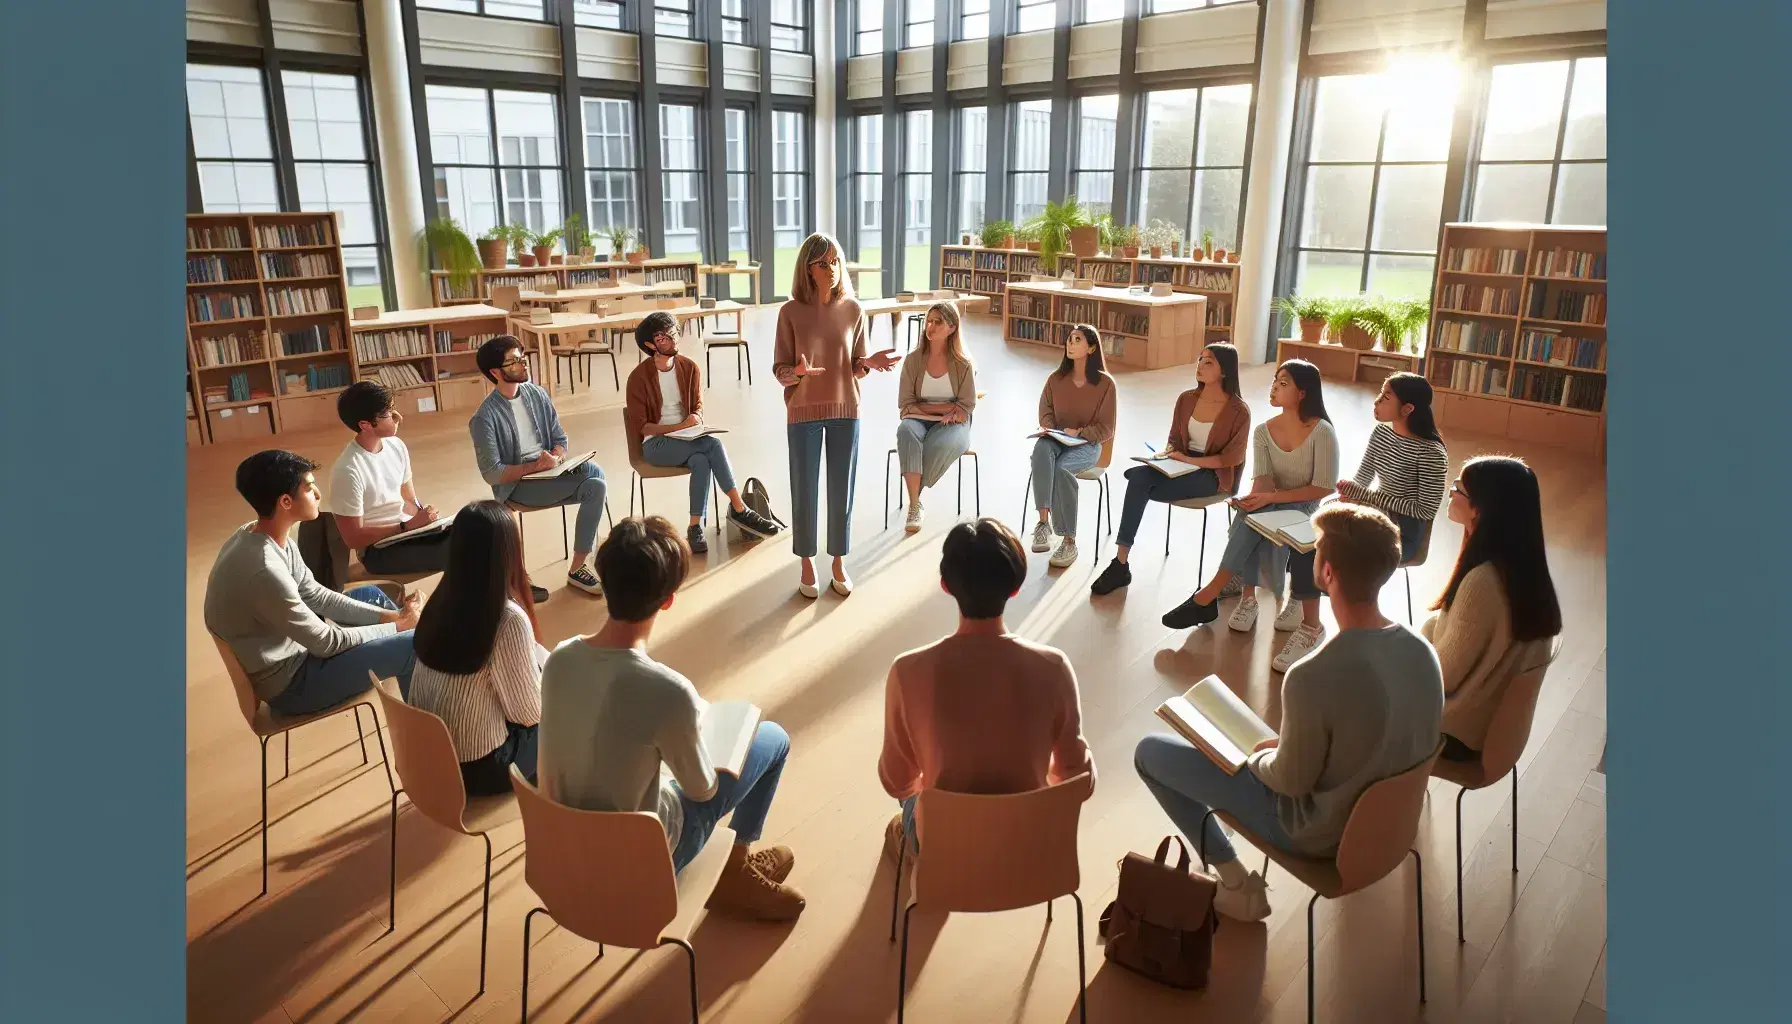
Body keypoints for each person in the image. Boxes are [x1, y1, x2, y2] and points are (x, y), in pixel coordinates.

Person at [1134, 503, 1443, 921]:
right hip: (1388, 828)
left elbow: (1290, 781)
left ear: (1327, 573)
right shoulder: (1423, 651)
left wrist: (1262, 756)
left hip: (1318, 833)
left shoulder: (1312, 674)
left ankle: (1235, 883)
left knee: (1151, 752)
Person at [536, 516, 806, 921]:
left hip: (564, 857)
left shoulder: (559, 658)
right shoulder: (668, 691)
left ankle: (733, 869)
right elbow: (702, 791)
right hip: (641, 867)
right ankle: (735, 869)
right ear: (668, 599)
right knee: (773, 737)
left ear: (604, 581)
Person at [878, 518, 1095, 862]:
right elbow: (1079, 781)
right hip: (1029, 850)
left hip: (944, 846)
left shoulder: (908, 671)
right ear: (1014, 588)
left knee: (914, 797)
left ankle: (916, 853)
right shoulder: (1053, 667)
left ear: (946, 586)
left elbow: (897, 781)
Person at [204, 450, 420, 718]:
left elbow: (316, 595)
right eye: (309, 488)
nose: (318, 494)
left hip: (299, 653)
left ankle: (412, 699)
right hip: (294, 685)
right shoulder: (264, 569)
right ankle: (421, 738)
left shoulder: (259, 534)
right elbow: (326, 643)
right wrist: (397, 625)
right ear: (285, 501)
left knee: (371, 596)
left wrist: (392, 618)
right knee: (414, 643)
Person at [1268, 372, 1452, 670]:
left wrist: (1366, 497)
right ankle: (1303, 601)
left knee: (1322, 546)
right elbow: (1363, 479)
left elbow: (1424, 510)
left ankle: (1309, 620)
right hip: (1372, 517)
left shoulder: (1431, 452)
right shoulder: (1382, 434)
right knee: (1309, 531)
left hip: (1401, 534)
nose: (1376, 402)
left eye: (1386, 398)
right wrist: (1348, 496)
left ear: (1408, 409)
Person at [1160, 360, 1337, 649]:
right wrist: (1253, 499)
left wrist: (1268, 498)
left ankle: (1209, 595)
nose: (1274, 387)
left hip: (1307, 508)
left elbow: (1322, 486)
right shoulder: (1264, 431)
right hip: (1275, 501)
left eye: (1284, 383)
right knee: (1250, 515)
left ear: (1303, 392)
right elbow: (1264, 481)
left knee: (1258, 515)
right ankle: (1247, 600)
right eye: (1274, 380)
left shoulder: (1322, 431)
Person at [772, 232, 901, 598]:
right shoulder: (789, 313)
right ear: (807, 268)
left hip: (846, 408)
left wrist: (868, 363)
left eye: (835, 261)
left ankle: (838, 559)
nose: (831, 268)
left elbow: (857, 365)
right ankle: (806, 560)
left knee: (842, 489)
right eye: (822, 262)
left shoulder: (854, 310)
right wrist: (796, 373)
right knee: (805, 488)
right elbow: (780, 369)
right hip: (803, 411)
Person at [1424, 456, 1562, 762]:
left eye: (1458, 488)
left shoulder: (1482, 582)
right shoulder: (1522, 568)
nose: (1451, 491)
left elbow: (1441, 678)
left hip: (1453, 732)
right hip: (1486, 728)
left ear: (1481, 508)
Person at [407, 501, 548, 796]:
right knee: (571, 710)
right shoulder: (507, 619)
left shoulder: (440, 599)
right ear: (508, 551)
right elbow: (529, 714)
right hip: (480, 768)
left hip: (429, 759)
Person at [1091, 342, 1251, 595]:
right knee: (1141, 478)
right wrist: (1166, 455)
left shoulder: (1239, 410)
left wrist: (1191, 462)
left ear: (1224, 371)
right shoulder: (1186, 399)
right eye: (1199, 359)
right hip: (1182, 464)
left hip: (1213, 476)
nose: (1199, 365)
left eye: (1208, 362)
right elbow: (1175, 439)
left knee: (1139, 483)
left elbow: (1231, 458)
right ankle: (1120, 561)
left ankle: (1121, 561)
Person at [625, 310, 785, 555]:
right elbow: (642, 426)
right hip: (655, 445)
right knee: (713, 446)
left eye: (673, 333)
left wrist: (695, 420)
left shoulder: (690, 368)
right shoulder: (638, 377)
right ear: (650, 345)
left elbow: (698, 408)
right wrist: (679, 427)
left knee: (701, 460)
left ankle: (694, 526)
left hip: (688, 440)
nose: (672, 339)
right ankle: (740, 510)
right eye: (663, 338)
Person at [469, 335, 608, 598]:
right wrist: (536, 466)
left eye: (522, 357)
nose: (524, 363)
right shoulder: (484, 418)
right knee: (596, 479)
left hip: (550, 472)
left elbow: (560, 438)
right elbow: (492, 473)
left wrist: (556, 456)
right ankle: (592, 558)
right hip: (518, 487)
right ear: (495, 372)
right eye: (514, 361)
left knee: (596, 482)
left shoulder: (536, 393)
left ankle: (579, 566)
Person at [325, 380, 455, 579]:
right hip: (378, 550)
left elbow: (409, 499)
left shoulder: (396, 446)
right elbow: (352, 538)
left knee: (475, 528)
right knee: (463, 549)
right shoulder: (348, 470)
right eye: (388, 414)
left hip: (406, 534)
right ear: (365, 424)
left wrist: (425, 517)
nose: (398, 417)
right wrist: (406, 526)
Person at [1029, 324, 1119, 569]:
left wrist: (1079, 433)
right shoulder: (1055, 379)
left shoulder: (1105, 384)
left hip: (1089, 445)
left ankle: (1069, 541)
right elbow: (1045, 413)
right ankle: (1043, 524)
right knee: (1040, 450)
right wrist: (1054, 431)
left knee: (1062, 469)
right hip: (1058, 440)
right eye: (1069, 339)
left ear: (1091, 348)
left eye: (1077, 339)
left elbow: (1106, 428)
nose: (1070, 343)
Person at [894, 301, 977, 533]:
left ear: (952, 327)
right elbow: (905, 405)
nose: (930, 326)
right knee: (905, 431)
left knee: (940, 444)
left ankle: (915, 492)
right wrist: (941, 410)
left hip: (955, 423)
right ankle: (914, 504)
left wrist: (935, 409)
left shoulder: (963, 364)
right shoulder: (913, 360)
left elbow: (966, 406)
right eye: (928, 321)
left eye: (937, 322)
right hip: (921, 418)